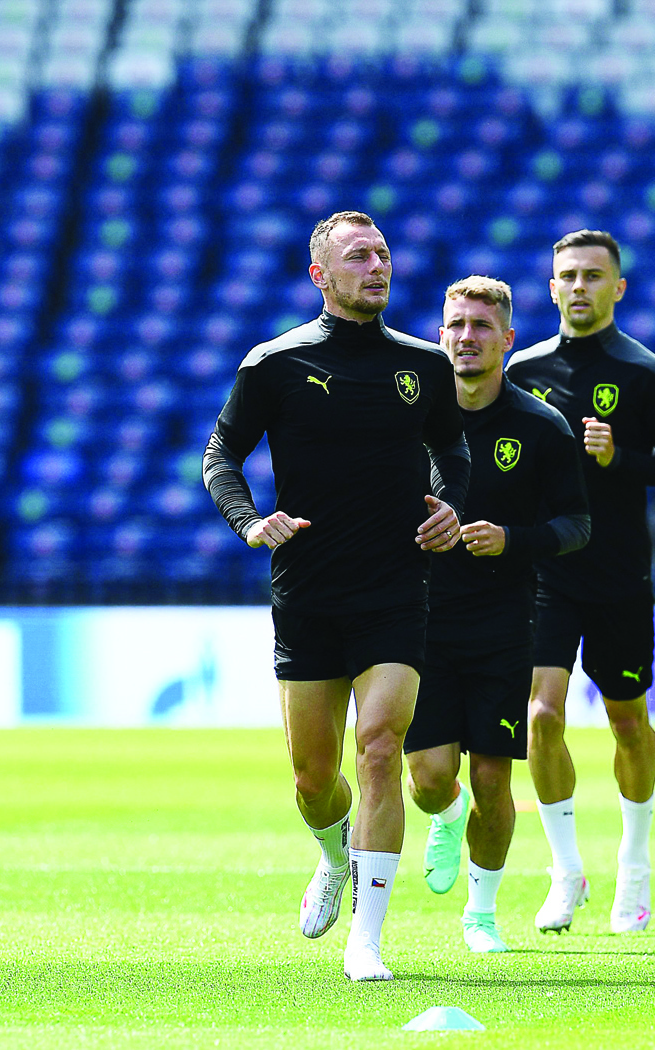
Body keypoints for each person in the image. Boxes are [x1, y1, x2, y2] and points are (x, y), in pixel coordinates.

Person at [202, 210, 470, 981]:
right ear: (320, 275)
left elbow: (450, 444)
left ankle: (369, 939)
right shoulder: (275, 363)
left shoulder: (423, 362)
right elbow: (221, 453)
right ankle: (332, 852)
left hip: (396, 586)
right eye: (358, 256)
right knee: (314, 779)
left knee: (381, 745)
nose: (376, 265)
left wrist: (449, 499)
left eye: (383, 252)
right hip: (308, 590)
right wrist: (250, 522)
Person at [505, 231, 655, 934]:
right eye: (568, 276)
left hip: (619, 572)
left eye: (594, 276)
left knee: (627, 721)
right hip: (545, 573)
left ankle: (636, 863)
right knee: (542, 716)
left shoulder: (646, 375)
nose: (579, 286)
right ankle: (565, 872)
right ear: (551, 288)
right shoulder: (520, 372)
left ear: (618, 288)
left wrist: (622, 456)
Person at [404, 276, 591, 953]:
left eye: (481, 327)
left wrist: (512, 539)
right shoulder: (411, 419)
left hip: (503, 624)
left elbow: (576, 524)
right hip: (419, 621)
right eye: (455, 325)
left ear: (507, 339)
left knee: (492, 775)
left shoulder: (540, 428)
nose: (465, 338)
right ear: (439, 333)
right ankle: (445, 816)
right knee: (428, 780)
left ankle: (480, 916)